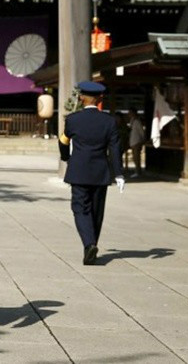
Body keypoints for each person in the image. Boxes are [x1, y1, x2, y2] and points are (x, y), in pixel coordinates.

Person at [59, 81, 124, 266]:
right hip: (100, 172)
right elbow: (115, 149)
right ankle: (92, 244)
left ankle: (89, 244)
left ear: (81, 98)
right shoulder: (109, 121)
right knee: (97, 211)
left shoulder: (72, 120)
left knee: (80, 209)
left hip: (78, 171)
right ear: (100, 99)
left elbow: (63, 141)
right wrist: (118, 174)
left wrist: (66, 158)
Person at [126, 108, 145, 178]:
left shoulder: (137, 121)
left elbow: (141, 131)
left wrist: (142, 140)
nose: (129, 114)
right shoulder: (132, 121)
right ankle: (136, 171)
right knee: (134, 157)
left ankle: (138, 171)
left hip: (137, 141)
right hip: (133, 141)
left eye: (130, 113)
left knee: (137, 157)